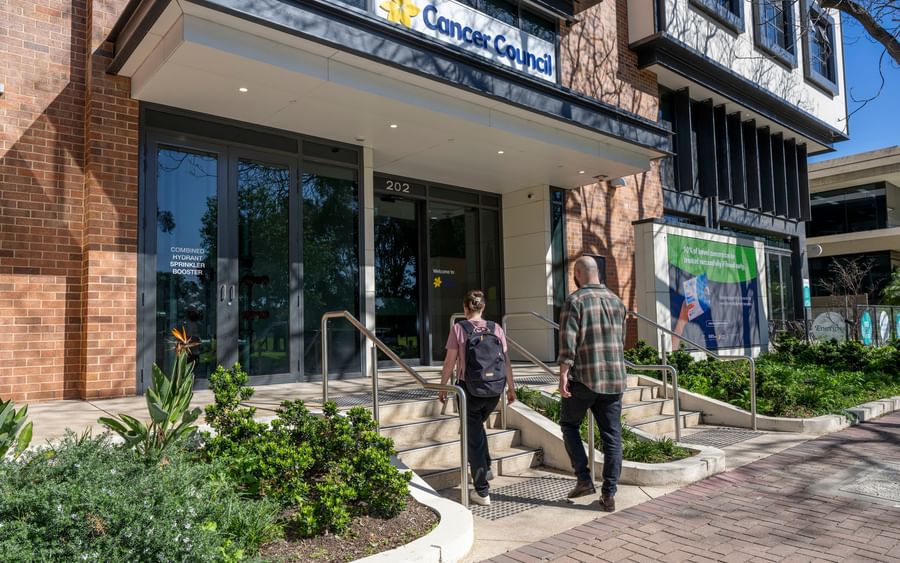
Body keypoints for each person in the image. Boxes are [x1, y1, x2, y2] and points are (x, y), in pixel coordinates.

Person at [558, 256, 627, 512]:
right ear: (596, 272)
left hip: (585, 379)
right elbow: (620, 342)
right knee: (612, 437)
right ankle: (609, 494)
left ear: (577, 273)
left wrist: (563, 373)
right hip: (614, 379)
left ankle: (584, 479)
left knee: (568, 424)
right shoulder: (617, 302)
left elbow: (568, 342)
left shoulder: (574, 300)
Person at [438, 289, 516, 507]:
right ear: (483, 308)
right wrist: (511, 388)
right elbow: (506, 361)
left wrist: (442, 387)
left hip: (468, 391)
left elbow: (449, 362)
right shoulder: (496, 328)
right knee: (477, 428)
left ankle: (482, 491)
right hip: (494, 390)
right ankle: (487, 467)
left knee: (472, 437)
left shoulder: (459, 328)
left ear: (465, 308)